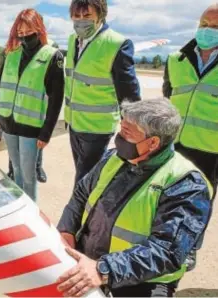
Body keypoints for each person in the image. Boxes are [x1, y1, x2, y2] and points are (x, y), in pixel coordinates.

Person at [56, 99, 212, 297]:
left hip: (142, 279)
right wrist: (66, 229)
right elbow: (81, 195)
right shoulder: (113, 158)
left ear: (153, 142)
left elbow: (167, 252)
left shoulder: (186, 184)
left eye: (126, 134)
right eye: (120, 130)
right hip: (87, 262)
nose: (118, 138)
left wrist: (104, 269)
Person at [162, 3, 218, 271]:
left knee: (199, 203)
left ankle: (189, 248)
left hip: (210, 149)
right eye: (204, 24)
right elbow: (167, 96)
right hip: (174, 144)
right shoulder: (177, 59)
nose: (208, 30)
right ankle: (163, 242)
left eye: (216, 27)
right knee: (165, 196)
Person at [0, 8, 64, 201]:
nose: (24, 37)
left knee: (29, 177)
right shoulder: (11, 54)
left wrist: (46, 132)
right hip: (8, 123)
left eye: (28, 32)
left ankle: (32, 213)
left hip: (31, 128)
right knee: (16, 170)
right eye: (20, 33)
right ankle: (18, 207)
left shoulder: (52, 56)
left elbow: (56, 100)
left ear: (38, 29)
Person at [64, 0, 141, 184]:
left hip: (97, 129)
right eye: (77, 16)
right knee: (85, 177)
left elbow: (129, 92)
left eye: (87, 16)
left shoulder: (117, 44)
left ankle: (80, 212)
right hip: (74, 124)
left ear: (101, 15)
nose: (81, 21)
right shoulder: (73, 40)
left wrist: (134, 129)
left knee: (84, 181)